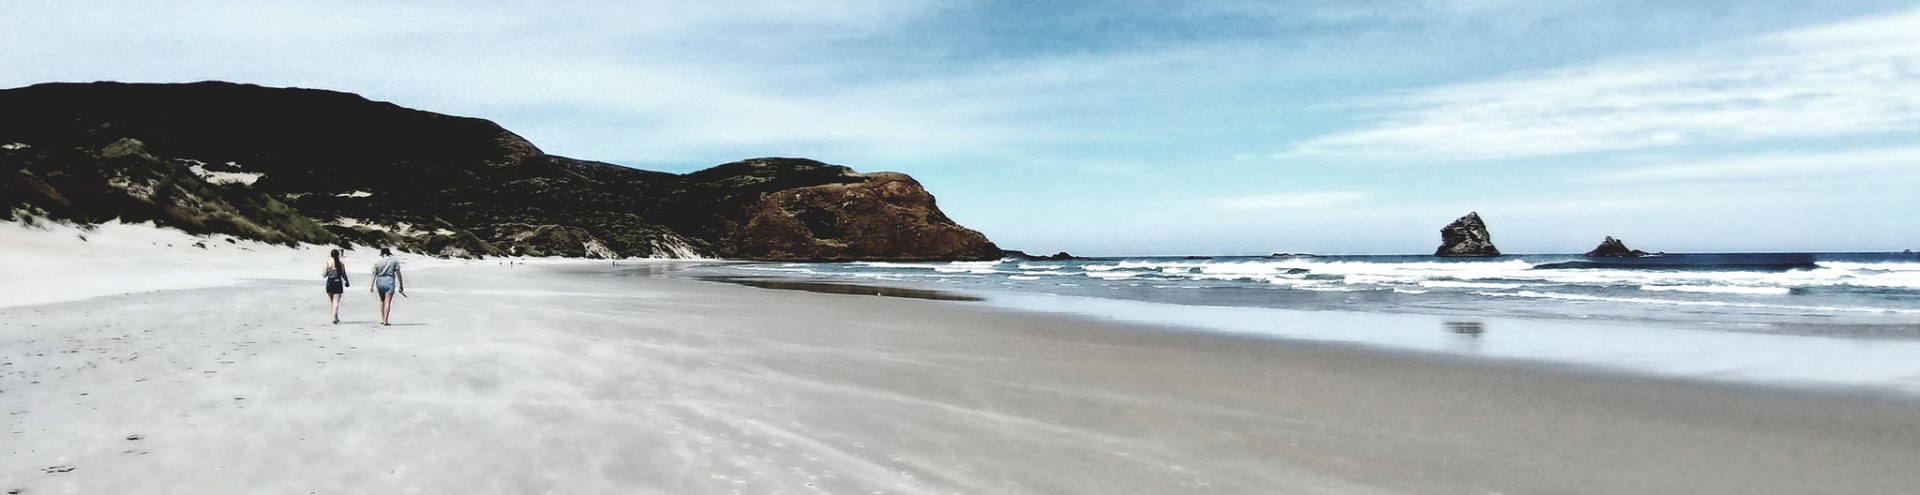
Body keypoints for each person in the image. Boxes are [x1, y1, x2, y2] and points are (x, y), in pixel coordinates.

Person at [369, 247, 404, 326]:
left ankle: (382, 318)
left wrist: (371, 285)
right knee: (387, 301)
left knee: (382, 300)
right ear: (389, 252)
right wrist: (401, 285)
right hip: (389, 281)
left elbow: (374, 274)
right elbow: (398, 273)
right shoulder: (394, 261)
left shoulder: (377, 261)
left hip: (380, 281)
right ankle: (385, 320)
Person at [322, 249, 351, 324]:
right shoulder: (341, 264)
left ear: (331, 255)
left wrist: (329, 271)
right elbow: (344, 274)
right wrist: (347, 281)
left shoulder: (327, 263)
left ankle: (335, 316)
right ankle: (335, 316)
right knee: (336, 301)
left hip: (330, 283)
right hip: (338, 283)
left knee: (332, 301)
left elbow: (324, 275)